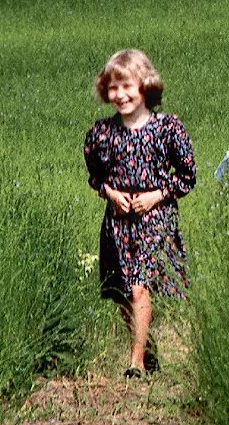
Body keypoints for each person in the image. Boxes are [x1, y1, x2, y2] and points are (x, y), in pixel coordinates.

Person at [83, 48, 196, 379]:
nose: (120, 95)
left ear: (144, 85)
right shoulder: (101, 134)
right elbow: (95, 176)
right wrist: (111, 193)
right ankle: (145, 348)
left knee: (139, 288)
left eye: (127, 86)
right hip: (118, 222)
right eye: (113, 88)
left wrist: (156, 196)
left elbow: (188, 176)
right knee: (121, 291)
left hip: (153, 219)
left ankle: (134, 363)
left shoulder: (168, 128)